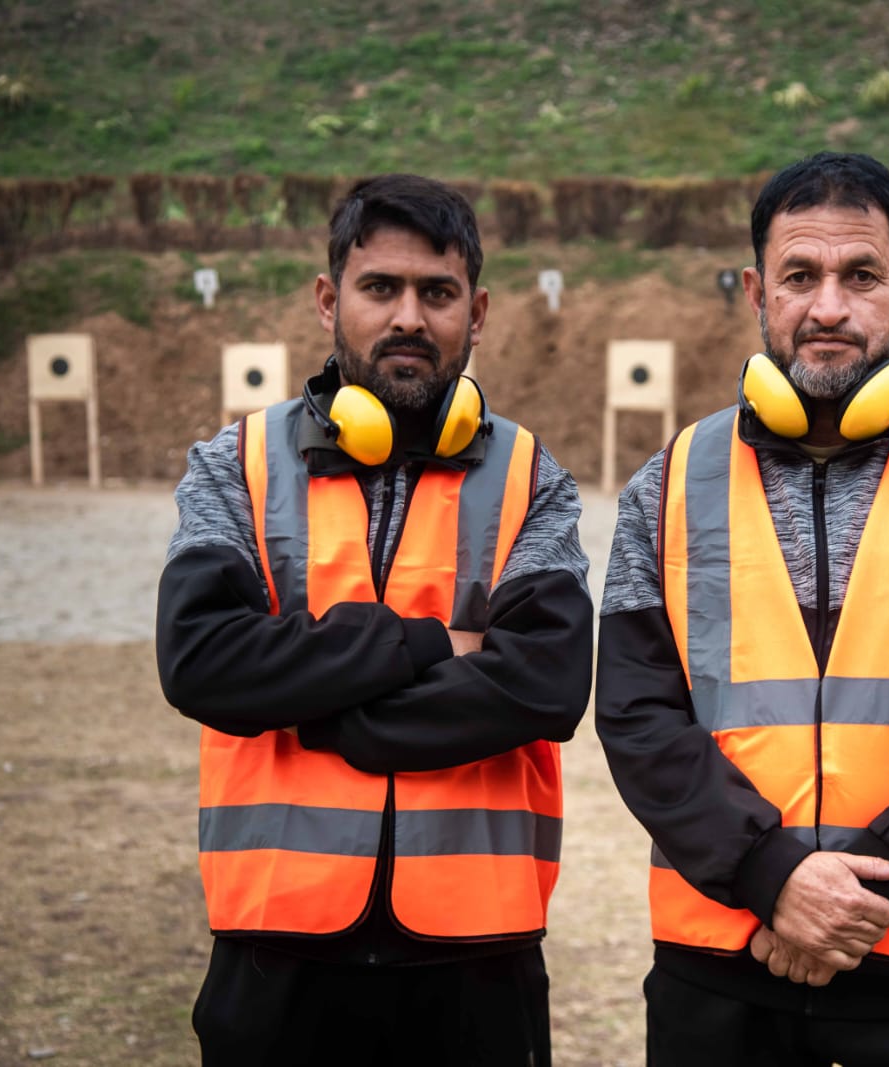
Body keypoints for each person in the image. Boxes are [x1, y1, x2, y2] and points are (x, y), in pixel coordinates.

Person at [596, 151, 889, 1066]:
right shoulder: (669, 484)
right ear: (755, 292)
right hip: (721, 976)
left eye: (862, 276)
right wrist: (772, 876)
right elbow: (638, 718)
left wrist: (851, 902)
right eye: (799, 276)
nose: (829, 308)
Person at [156, 173, 592, 1066]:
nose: (408, 317)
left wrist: (322, 714)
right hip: (278, 951)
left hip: (478, 960)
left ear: (477, 313)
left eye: (438, 294)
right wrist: (430, 642)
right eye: (380, 288)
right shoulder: (235, 464)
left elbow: (547, 683)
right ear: (329, 300)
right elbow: (201, 660)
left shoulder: (530, 477)